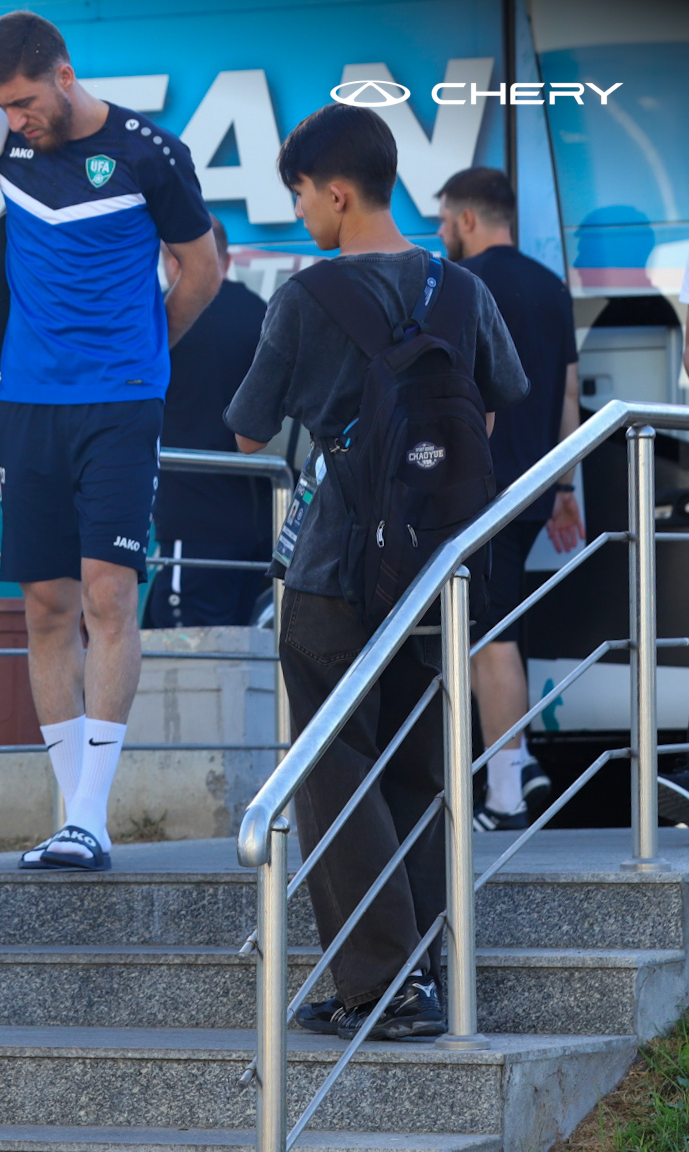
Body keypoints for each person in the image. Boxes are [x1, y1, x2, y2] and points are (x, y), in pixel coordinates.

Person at [225, 103, 527, 1040]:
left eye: (303, 195)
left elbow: (248, 425)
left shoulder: (305, 298)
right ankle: (426, 966)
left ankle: (384, 987)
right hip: (434, 568)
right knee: (413, 764)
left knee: (331, 767)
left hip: (331, 571)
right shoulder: (461, 289)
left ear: (338, 191)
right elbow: (492, 409)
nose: (301, 212)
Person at [0, 10, 220, 871]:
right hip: (25, 406)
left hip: (120, 405)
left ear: (64, 73)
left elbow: (202, 269)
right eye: (1, 105)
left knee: (108, 598)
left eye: (22, 100)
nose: (15, 118)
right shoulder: (1, 145)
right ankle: (70, 813)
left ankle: (90, 814)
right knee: (46, 607)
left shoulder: (148, 152)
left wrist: (147, 351)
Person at [436, 167, 583, 829]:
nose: (442, 234)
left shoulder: (463, 285)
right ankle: (516, 763)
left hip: (477, 491)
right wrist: (563, 488)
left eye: (444, 221)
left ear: (469, 220)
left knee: (486, 640)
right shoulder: (553, 288)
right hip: (529, 491)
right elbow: (571, 398)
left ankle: (504, 796)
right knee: (500, 634)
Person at [146, 216, 271, 629]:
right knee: (246, 669)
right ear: (227, 259)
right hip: (262, 526)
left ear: (173, 260)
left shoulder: (159, 320)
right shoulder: (263, 314)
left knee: (190, 669)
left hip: (193, 517)